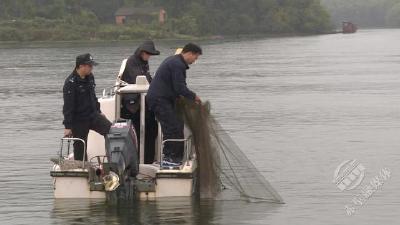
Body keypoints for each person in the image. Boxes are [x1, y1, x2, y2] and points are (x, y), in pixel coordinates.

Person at [147, 43, 202, 165]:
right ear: (190, 53)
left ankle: (175, 158)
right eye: (195, 57)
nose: (195, 61)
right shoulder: (178, 65)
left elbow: (177, 87)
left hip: (164, 99)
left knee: (177, 125)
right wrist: (194, 97)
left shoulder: (175, 61)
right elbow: (180, 87)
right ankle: (169, 159)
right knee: (171, 128)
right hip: (160, 100)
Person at [63, 53, 112, 161]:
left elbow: (93, 97)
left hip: (93, 115)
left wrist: (98, 111)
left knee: (111, 131)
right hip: (79, 119)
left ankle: (112, 159)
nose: (92, 68)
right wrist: (68, 126)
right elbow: (68, 106)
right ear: (81, 66)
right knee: (80, 145)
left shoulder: (90, 77)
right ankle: (82, 168)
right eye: (89, 66)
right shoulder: (70, 83)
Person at [121, 40, 160, 164]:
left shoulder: (144, 63)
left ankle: (148, 160)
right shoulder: (132, 62)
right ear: (142, 52)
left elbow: (148, 79)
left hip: (143, 105)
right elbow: (140, 80)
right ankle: (138, 162)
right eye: (148, 54)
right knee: (137, 134)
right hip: (133, 107)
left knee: (152, 130)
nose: (149, 56)